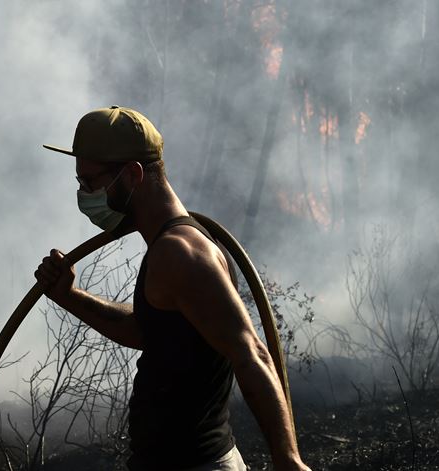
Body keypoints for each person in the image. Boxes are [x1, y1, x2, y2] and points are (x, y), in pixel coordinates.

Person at [35, 106, 310, 471]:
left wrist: (288, 460)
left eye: (90, 182)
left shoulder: (179, 253)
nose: (84, 194)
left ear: (132, 175)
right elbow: (145, 330)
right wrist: (70, 296)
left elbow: (251, 353)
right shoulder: (166, 249)